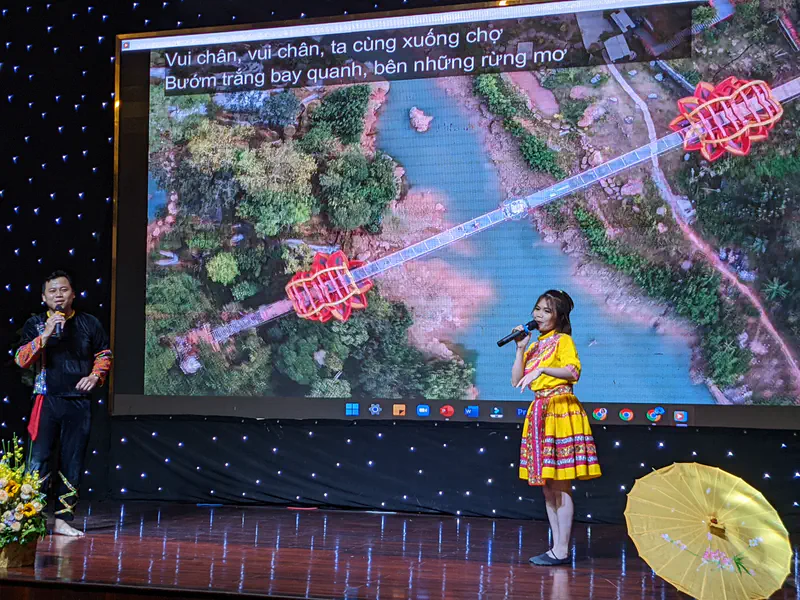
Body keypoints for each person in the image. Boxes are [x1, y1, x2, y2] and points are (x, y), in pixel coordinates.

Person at [14, 270, 112, 537]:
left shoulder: (89, 323)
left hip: (78, 401)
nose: (59, 295)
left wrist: (95, 376)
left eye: (64, 290)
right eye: (53, 291)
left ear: (73, 293)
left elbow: (103, 353)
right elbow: (21, 360)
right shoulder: (34, 323)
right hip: (45, 399)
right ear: (44, 297)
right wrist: (45, 335)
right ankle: (29, 518)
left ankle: (62, 519)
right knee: (38, 460)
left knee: (72, 460)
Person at [510, 289, 601, 566]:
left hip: (560, 409)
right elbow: (517, 381)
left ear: (559, 316)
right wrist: (521, 349)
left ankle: (562, 549)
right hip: (539, 411)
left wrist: (542, 371)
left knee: (560, 483)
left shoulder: (563, 341)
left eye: (546, 310)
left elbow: (573, 372)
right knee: (547, 485)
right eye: (537, 309)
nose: (538, 315)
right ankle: (556, 547)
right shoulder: (535, 345)